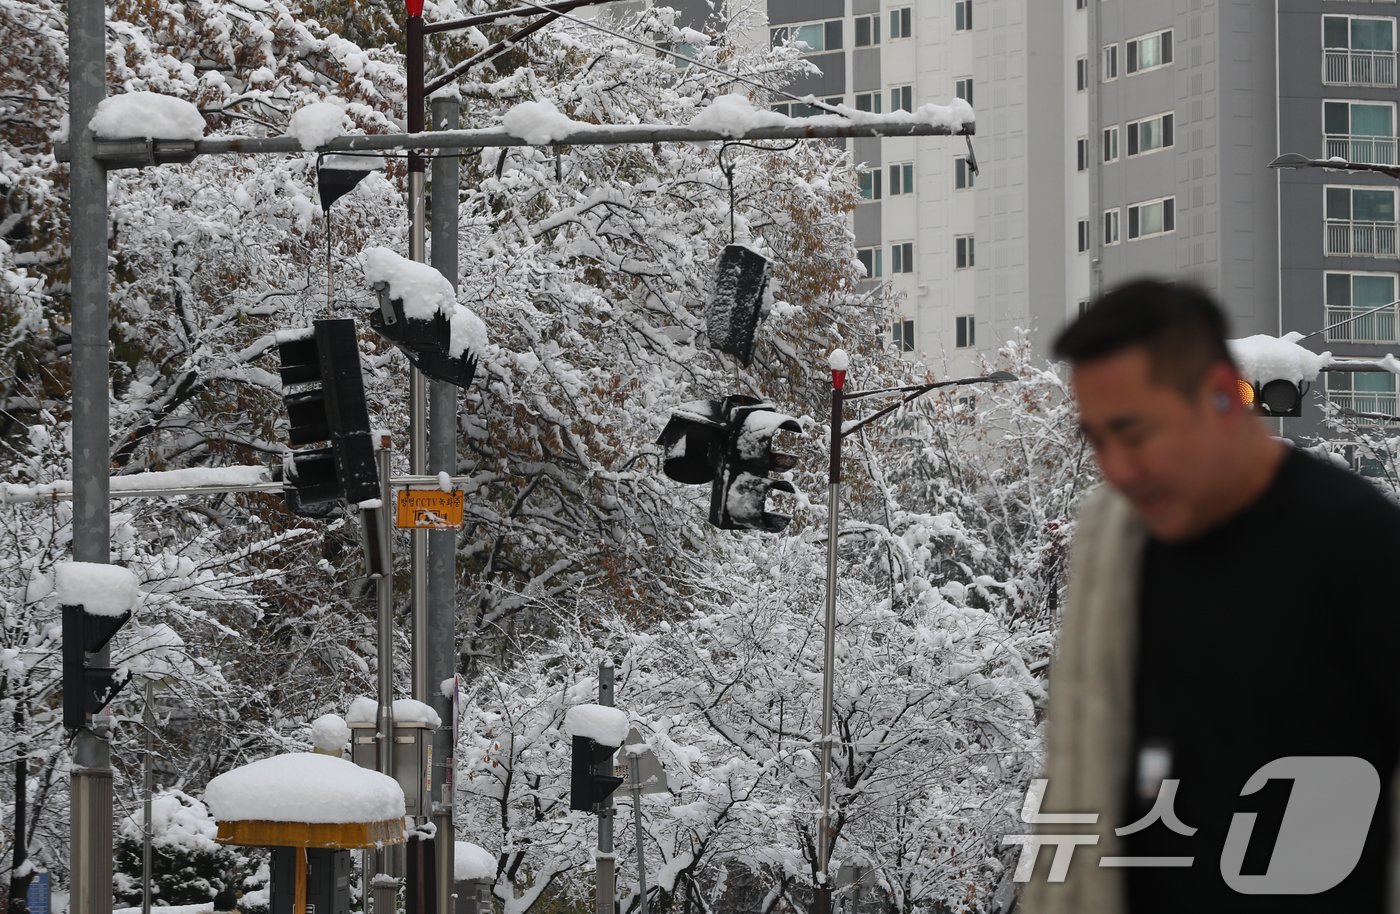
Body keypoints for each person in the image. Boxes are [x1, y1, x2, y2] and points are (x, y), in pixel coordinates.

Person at [1019, 278, 1400, 913]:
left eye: (1135, 432)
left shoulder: (1359, 542)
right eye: (1097, 438)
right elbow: (1081, 764)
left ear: (1223, 395)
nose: (1118, 466)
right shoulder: (1114, 537)